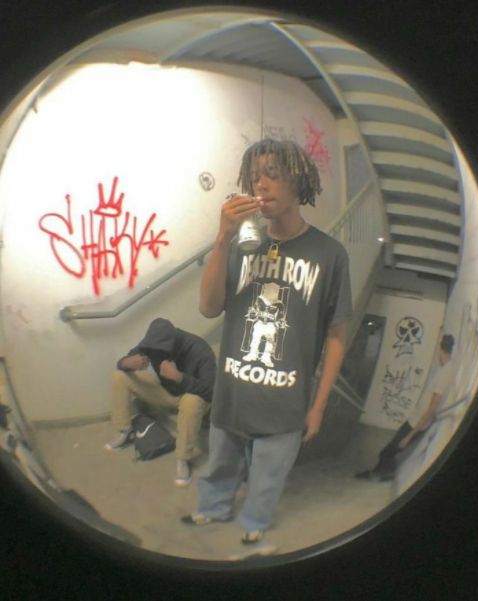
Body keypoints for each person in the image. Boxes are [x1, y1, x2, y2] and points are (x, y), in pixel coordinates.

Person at [181, 138, 353, 553]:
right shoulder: (241, 244)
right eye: (255, 175)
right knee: (220, 463)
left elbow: (336, 335)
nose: (262, 183)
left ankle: (255, 522)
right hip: (233, 392)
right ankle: (215, 507)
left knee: (268, 476)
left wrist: (319, 404)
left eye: (273, 174)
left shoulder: (329, 254)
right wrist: (223, 237)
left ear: (299, 182)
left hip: (287, 401)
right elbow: (208, 308)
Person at [105, 318, 216, 487]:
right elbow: (122, 363)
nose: (156, 356)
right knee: (120, 375)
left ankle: (183, 459)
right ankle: (124, 431)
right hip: (167, 394)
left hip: (192, 399)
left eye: (162, 353)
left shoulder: (199, 349)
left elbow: (211, 392)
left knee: (191, 401)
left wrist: (179, 377)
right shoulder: (152, 343)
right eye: (153, 353)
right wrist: (127, 362)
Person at [355, 333, 455, 482]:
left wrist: (409, 435)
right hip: (414, 421)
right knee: (390, 450)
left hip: (416, 425)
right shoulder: (446, 370)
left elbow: (432, 409)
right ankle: (382, 473)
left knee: (387, 452)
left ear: (441, 349)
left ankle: (380, 474)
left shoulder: (444, 374)